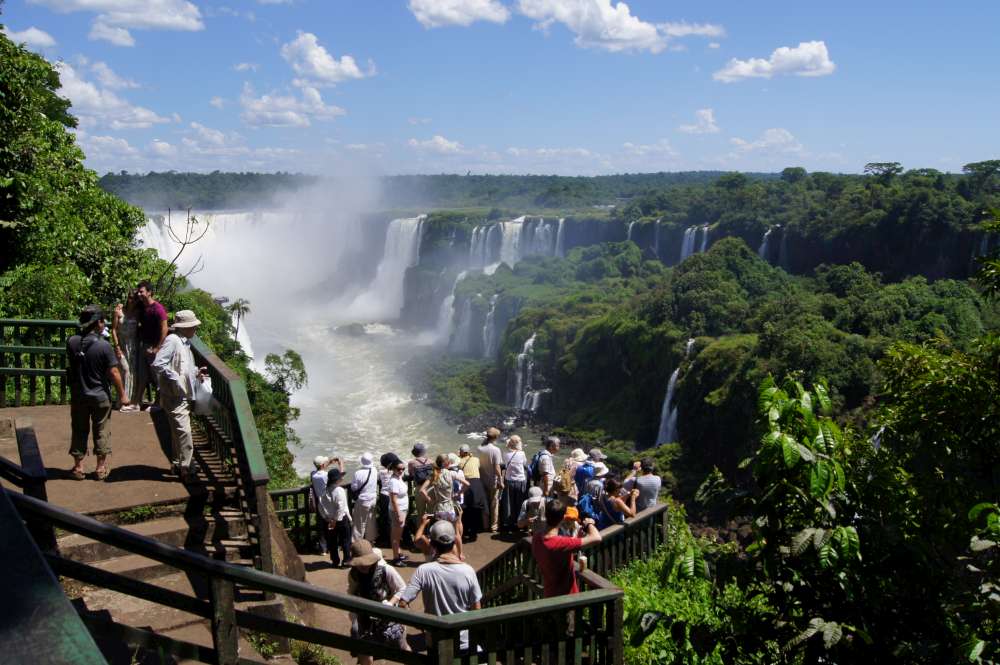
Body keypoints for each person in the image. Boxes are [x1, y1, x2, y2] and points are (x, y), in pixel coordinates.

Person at [395, 521, 482, 652]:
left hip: (435, 641)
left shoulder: (423, 570)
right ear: (454, 543)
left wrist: (421, 623)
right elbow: (477, 610)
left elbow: (402, 603)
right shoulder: (468, 571)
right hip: (463, 641)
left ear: (432, 544)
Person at [67, 306, 129, 481]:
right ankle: (100, 468)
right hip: (100, 395)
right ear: (98, 323)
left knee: (79, 429)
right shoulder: (104, 346)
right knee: (102, 429)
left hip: (79, 394)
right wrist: (122, 395)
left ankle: (78, 468)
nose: (104, 324)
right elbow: (114, 373)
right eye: (103, 320)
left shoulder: (71, 342)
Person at [151, 309, 207, 483]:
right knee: (184, 432)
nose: (195, 329)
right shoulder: (173, 340)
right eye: (192, 326)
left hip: (180, 394)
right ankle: (187, 469)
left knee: (178, 431)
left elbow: (184, 366)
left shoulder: (184, 342)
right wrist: (175, 378)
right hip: (175, 396)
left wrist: (196, 373)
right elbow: (158, 363)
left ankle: (177, 464)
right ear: (184, 327)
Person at [346, 540, 409, 664]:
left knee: (402, 648)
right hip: (364, 619)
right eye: (360, 564)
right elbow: (352, 592)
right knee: (365, 653)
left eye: (366, 563)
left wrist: (391, 603)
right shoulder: (353, 574)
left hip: (388, 619)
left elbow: (402, 588)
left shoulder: (386, 570)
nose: (364, 566)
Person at [532, 500, 602, 598]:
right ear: (562, 518)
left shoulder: (536, 537)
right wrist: (589, 524)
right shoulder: (561, 543)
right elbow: (597, 537)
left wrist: (578, 538)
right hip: (567, 597)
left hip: (549, 594)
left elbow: (557, 555)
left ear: (546, 515)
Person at [420, 454, 469, 561]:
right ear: (447, 463)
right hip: (450, 507)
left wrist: (430, 500)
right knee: (456, 533)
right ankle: (460, 554)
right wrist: (458, 493)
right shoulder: (451, 473)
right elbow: (467, 484)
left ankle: (440, 554)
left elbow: (422, 490)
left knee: (440, 532)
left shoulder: (434, 475)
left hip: (439, 508)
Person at [135, 280, 168, 408]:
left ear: (149, 293)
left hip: (154, 347)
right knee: (142, 375)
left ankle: (159, 403)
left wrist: (157, 348)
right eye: (138, 291)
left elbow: (164, 328)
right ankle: (137, 401)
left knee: (157, 377)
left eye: (141, 291)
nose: (139, 294)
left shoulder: (158, 309)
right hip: (144, 345)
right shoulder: (142, 306)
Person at [111, 292, 143, 412]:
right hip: (122, 345)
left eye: (135, 299)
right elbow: (113, 329)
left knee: (133, 373)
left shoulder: (138, 312)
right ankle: (123, 400)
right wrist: (117, 346)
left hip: (134, 346)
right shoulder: (118, 311)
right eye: (130, 298)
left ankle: (132, 401)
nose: (132, 300)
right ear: (127, 298)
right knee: (125, 370)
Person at [318, 468, 352, 567]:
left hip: (329, 520)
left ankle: (335, 561)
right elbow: (340, 507)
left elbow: (320, 507)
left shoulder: (324, 491)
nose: (342, 478)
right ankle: (346, 560)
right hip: (341, 520)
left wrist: (327, 518)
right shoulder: (339, 490)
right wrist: (336, 520)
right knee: (345, 540)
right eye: (341, 477)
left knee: (332, 541)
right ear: (337, 479)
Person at [457, 444, 485, 543]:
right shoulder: (476, 459)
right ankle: (474, 532)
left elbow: (458, 466)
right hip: (477, 483)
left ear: (462, 452)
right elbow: (477, 465)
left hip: (465, 483)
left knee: (465, 508)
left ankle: (465, 531)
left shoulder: (459, 461)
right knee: (476, 508)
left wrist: (459, 457)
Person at [500, 435, 528, 533]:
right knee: (520, 503)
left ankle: (508, 524)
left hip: (509, 480)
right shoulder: (522, 453)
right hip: (520, 480)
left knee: (509, 503)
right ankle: (519, 523)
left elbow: (504, 463)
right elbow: (524, 463)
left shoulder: (505, 453)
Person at [478, 428, 504, 533]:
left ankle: (484, 525)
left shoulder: (479, 448)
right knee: (494, 503)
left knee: (485, 503)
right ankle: (493, 526)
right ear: (496, 437)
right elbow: (497, 467)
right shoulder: (495, 450)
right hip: (493, 480)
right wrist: (501, 480)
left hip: (482, 479)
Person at [351, 452, 379, 543]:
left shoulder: (358, 473)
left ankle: (357, 543)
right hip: (373, 499)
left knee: (359, 523)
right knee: (371, 521)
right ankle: (370, 541)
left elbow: (354, 487)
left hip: (363, 500)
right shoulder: (374, 470)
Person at [407, 442, 434, 532]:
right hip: (430, 488)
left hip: (419, 489)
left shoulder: (412, 463)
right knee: (431, 512)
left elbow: (411, 475)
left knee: (420, 512)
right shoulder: (431, 461)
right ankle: (431, 531)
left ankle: (420, 532)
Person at [377, 452, 402, 547]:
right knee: (396, 517)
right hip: (395, 496)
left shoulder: (381, 471)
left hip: (384, 496)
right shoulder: (398, 471)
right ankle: (397, 538)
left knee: (386, 518)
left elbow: (379, 479)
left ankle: (386, 539)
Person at [387, 460, 409, 566]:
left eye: (403, 469)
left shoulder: (399, 478)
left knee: (398, 535)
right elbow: (393, 499)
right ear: (393, 469)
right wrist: (398, 513)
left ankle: (398, 553)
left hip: (402, 509)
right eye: (399, 469)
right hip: (398, 510)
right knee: (396, 536)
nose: (401, 471)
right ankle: (396, 558)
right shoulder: (393, 482)